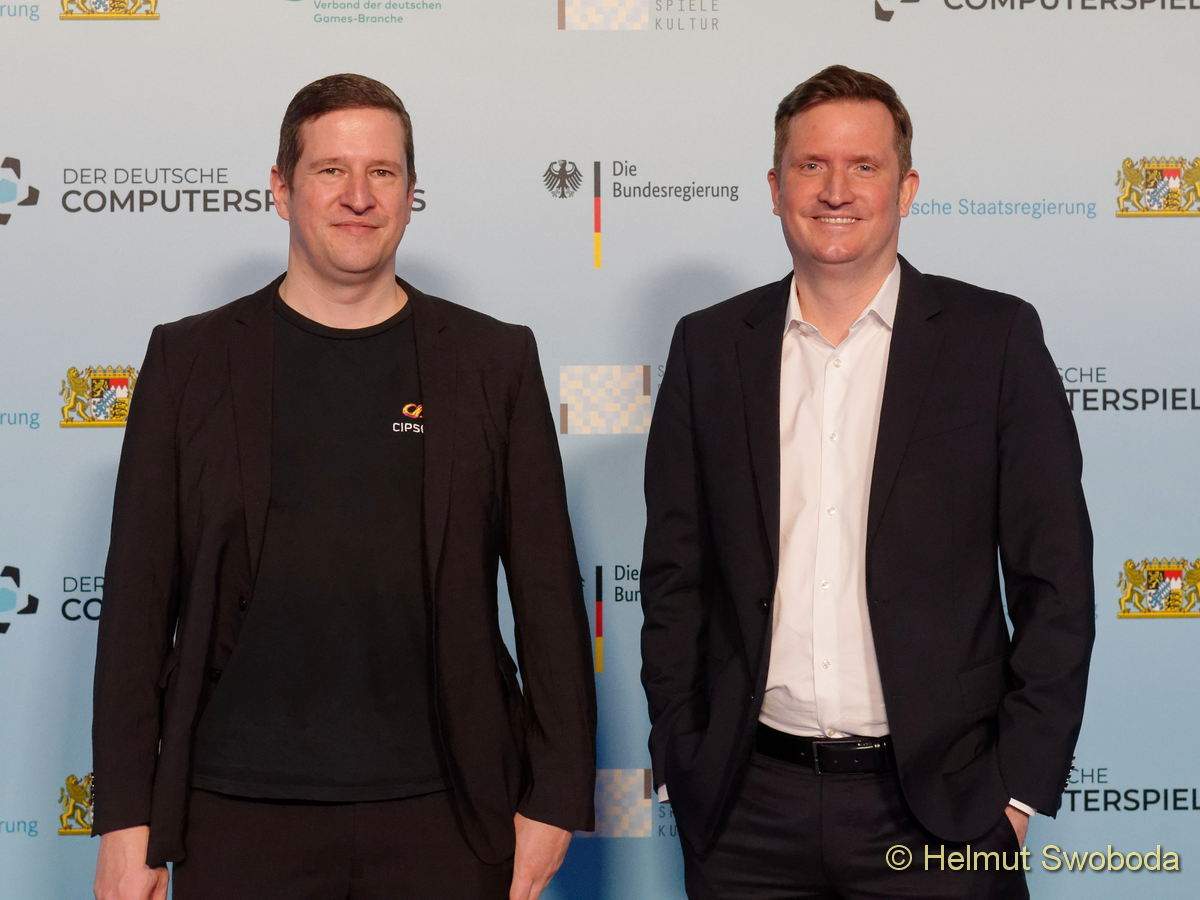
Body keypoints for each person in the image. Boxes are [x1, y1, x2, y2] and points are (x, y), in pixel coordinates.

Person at [91, 73, 595, 900]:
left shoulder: (492, 361)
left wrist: (556, 797)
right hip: (235, 810)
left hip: (451, 812)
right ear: (281, 189)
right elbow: (137, 607)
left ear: (410, 192)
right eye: (330, 170)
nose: (358, 196)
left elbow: (546, 594)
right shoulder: (190, 361)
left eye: (382, 172)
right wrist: (125, 818)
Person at [640, 64, 1093, 898]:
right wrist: (683, 755)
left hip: (943, 809)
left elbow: (1056, 579)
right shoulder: (709, 347)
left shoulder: (993, 340)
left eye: (864, 166)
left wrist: (1017, 791)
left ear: (906, 188)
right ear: (775, 188)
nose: (835, 190)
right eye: (811, 165)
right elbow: (674, 576)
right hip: (745, 814)